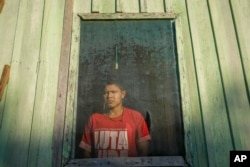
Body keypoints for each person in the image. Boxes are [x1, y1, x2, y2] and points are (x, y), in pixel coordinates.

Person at [79, 81, 151, 158]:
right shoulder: (94, 119)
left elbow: (144, 152)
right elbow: (86, 153)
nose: (109, 96)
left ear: (123, 94)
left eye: (113, 92)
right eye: (106, 92)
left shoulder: (136, 117)